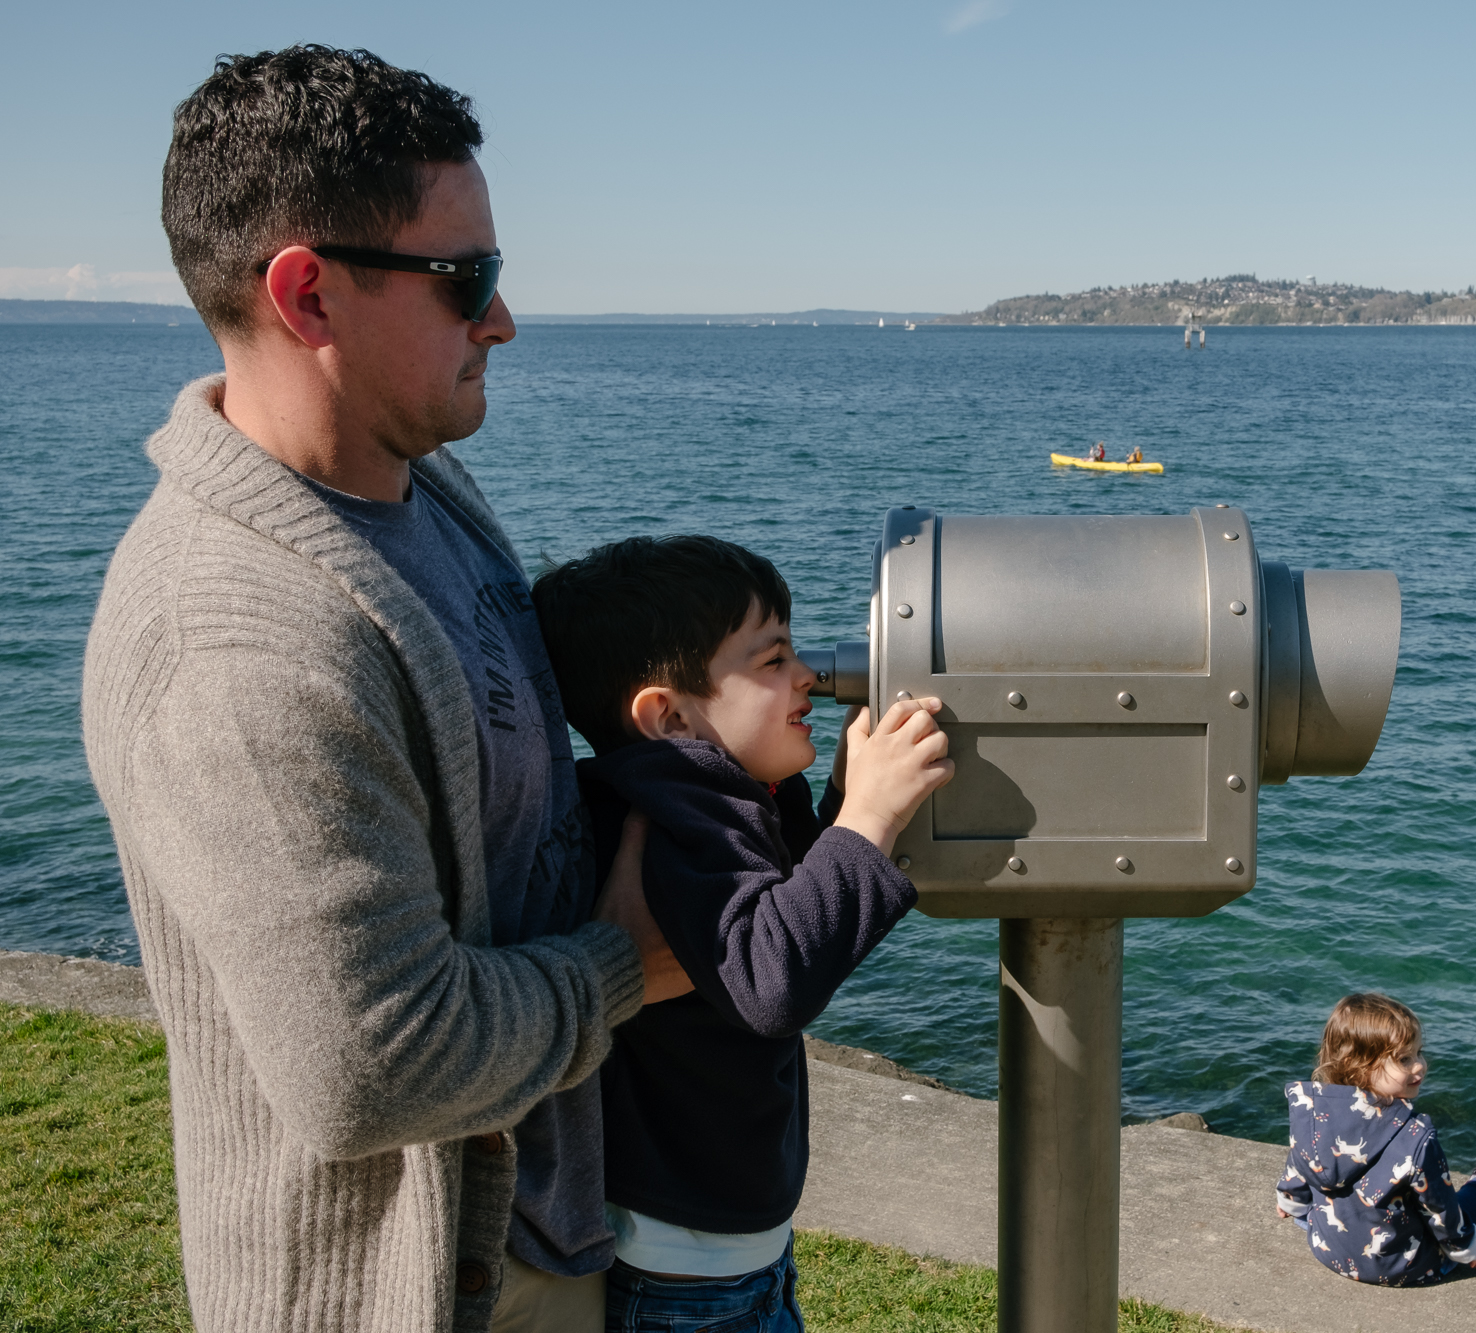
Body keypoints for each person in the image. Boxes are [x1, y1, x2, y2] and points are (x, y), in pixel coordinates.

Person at [81, 46, 687, 1333]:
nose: (501, 320)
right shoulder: (237, 647)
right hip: (410, 1292)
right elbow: (372, 1064)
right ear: (306, 294)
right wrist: (623, 965)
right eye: (467, 279)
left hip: (541, 1240)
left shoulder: (406, 483)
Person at [530, 535, 953, 1332]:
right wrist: (867, 818)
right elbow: (767, 979)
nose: (808, 678)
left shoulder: (707, 797)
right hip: (687, 1270)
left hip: (712, 1248)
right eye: (772, 661)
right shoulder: (675, 820)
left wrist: (840, 800)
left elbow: (779, 906)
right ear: (669, 714)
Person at [1274, 993, 1476, 1285]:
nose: (1420, 1065)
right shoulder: (1416, 1136)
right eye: (1404, 1059)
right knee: (1459, 1206)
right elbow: (1440, 1209)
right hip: (1402, 1266)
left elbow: (1300, 1159)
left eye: (1419, 1053)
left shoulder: (1312, 1110)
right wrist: (1464, 1249)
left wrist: (1290, 1199)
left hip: (1327, 1248)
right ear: (1360, 1064)